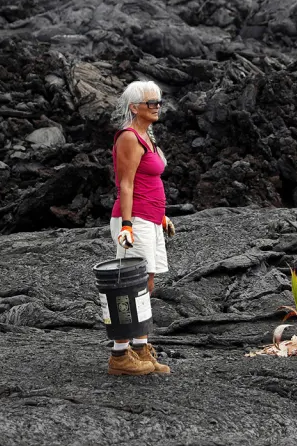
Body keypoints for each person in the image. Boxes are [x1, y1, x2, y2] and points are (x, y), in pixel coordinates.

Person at [106, 80, 176, 376]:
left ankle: (140, 348)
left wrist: (161, 215)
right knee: (129, 285)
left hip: (150, 218)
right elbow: (125, 183)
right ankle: (120, 356)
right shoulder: (129, 137)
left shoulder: (148, 136)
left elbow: (150, 182)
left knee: (146, 284)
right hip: (133, 221)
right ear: (134, 107)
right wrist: (126, 224)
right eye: (151, 103)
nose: (157, 107)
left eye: (159, 101)